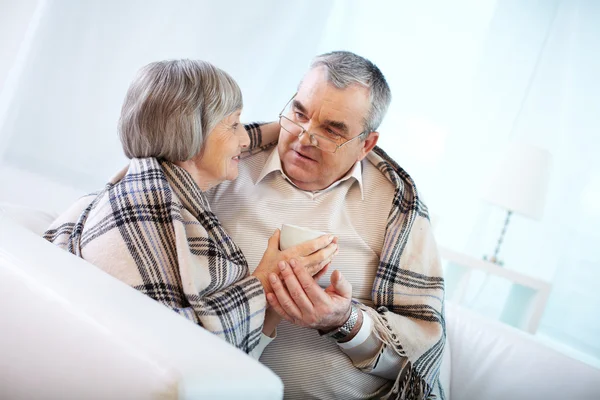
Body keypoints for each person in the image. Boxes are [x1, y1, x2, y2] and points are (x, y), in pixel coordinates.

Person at [43, 59, 338, 358]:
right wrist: (262, 281)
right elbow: (178, 349)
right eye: (234, 124)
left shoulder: (155, 191)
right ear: (191, 131)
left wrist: (274, 294)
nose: (245, 138)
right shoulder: (147, 211)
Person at [207, 51, 446, 399]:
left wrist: (345, 322)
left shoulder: (398, 206)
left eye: (332, 130)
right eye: (300, 113)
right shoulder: (225, 164)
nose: (305, 137)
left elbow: (421, 356)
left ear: (366, 144)